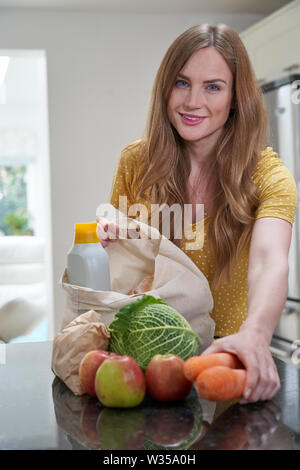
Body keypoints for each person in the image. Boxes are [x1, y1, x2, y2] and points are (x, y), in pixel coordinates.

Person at [96, 24, 298, 403]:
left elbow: (270, 262)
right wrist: (112, 241)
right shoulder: (135, 163)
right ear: (165, 88)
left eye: (213, 86)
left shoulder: (268, 176)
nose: (192, 102)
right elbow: (126, 276)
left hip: (226, 359)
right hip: (146, 362)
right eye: (181, 82)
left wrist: (255, 334)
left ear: (236, 98)